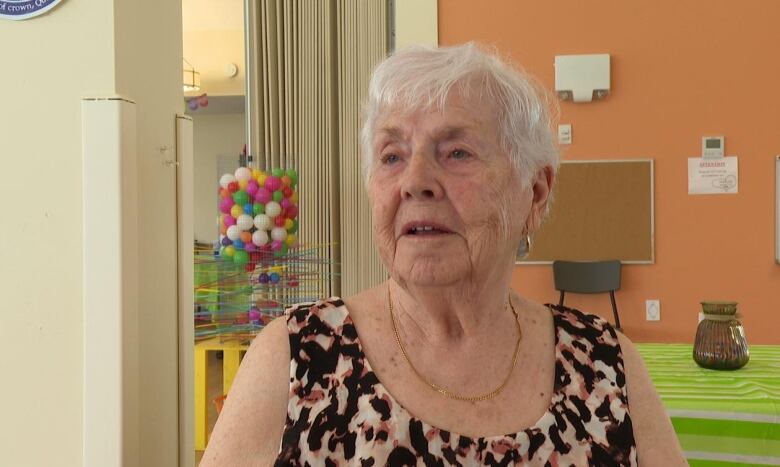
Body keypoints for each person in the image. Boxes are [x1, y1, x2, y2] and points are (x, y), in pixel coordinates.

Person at [201, 43, 687, 466]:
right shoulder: (296, 355)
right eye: (392, 156)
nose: (414, 182)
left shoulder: (607, 363)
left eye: (456, 153)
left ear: (535, 194)